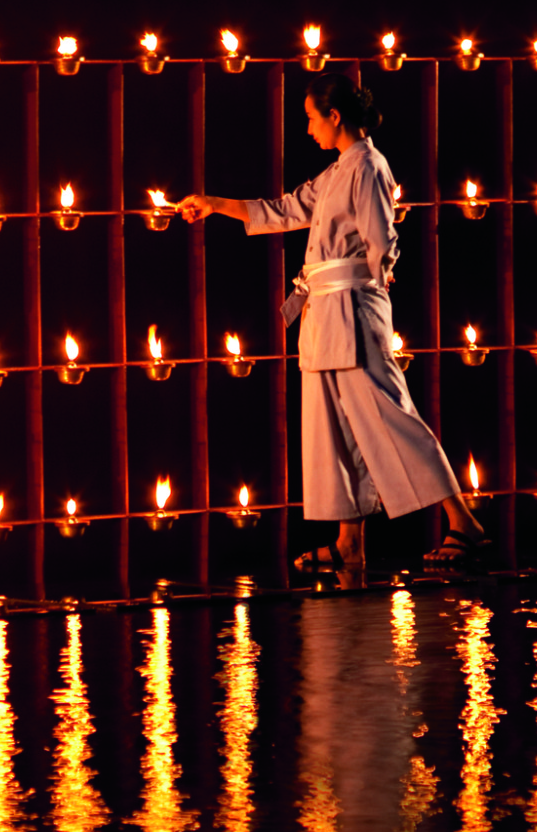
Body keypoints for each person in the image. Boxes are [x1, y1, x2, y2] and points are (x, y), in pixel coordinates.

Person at [179, 74, 487, 583]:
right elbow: (284, 209)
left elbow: (382, 241)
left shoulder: (368, 166)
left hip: (353, 310)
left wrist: (368, 294)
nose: (307, 128)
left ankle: (464, 522)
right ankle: (348, 544)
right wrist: (214, 204)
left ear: (335, 117)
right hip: (324, 313)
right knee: (335, 430)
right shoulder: (338, 170)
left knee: (391, 417)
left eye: (310, 117)